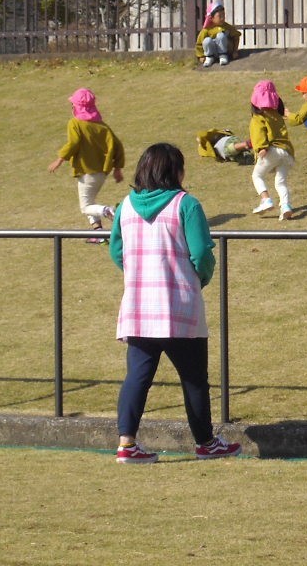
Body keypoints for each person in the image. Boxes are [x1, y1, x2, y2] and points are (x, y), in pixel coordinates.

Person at [108, 142, 242, 464]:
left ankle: (127, 444)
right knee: (194, 378)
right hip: (181, 306)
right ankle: (205, 442)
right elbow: (201, 253)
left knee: (137, 377)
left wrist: (138, 273)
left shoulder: (124, 206)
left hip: (139, 308)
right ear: (174, 171)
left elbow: (116, 251)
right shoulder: (186, 204)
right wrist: (201, 278)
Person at [47, 88, 125, 244]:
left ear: (77, 107)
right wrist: (117, 168)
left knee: (86, 206)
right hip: (101, 173)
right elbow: (118, 145)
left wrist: (60, 159)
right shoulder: (102, 126)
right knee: (90, 201)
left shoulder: (75, 123)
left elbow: (74, 143)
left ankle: (107, 211)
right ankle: (99, 232)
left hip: (86, 172)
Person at [249, 80, 296, 220]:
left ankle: (266, 200)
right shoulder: (277, 115)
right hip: (286, 152)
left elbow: (258, 133)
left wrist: (261, 148)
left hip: (271, 150)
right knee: (280, 182)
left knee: (257, 176)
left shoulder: (258, 118)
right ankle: (286, 205)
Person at [194, 0, 241, 68]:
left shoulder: (228, 27)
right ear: (212, 18)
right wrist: (201, 56)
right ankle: (210, 57)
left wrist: (235, 51)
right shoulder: (206, 30)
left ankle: (223, 55)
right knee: (207, 40)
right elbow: (199, 43)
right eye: (220, 16)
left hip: (226, 52)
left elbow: (236, 37)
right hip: (212, 52)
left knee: (221, 36)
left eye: (223, 15)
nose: (222, 18)